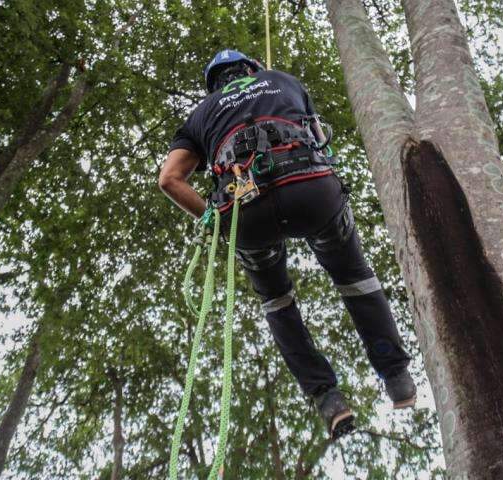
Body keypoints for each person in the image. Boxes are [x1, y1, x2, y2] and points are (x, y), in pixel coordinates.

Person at [159, 49, 416, 440]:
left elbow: (169, 180)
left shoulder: (199, 114)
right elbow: (318, 141)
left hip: (246, 212)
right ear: (251, 69)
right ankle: (396, 376)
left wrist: (217, 223)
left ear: (214, 83)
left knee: (277, 301)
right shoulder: (284, 81)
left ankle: (328, 398)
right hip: (311, 191)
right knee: (354, 278)